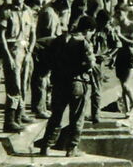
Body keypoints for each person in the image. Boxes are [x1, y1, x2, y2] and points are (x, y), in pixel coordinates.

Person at [39, 16, 96, 157]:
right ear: (88, 30)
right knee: (77, 117)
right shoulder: (84, 42)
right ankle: (72, 148)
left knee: (56, 115)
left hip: (59, 82)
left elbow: (48, 56)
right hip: (77, 82)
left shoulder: (59, 39)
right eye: (91, 32)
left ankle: (46, 146)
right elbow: (91, 63)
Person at [0, 0, 30, 132]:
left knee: (23, 86)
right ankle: (9, 121)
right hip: (12, 52)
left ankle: (18, 118)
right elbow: (2, 36)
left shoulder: (28, 12)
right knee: (13, 86)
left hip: (25, 52)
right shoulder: (6, 12)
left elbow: (32, 33)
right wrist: (8, 57)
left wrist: (29, 53)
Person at [29, 0, 61, 118]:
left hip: (45, 49)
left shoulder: (52, 11)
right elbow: (49, 35)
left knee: (42, 80)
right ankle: (39, 109)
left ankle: (40, 107)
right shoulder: (49, 13)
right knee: (41, 80)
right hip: (42, 50)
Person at [89, 9, 119, 123]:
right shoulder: (91, 27)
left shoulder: (108, 29)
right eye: (105, 22)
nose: (107, 24)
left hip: (98, 62)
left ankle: (95, 114)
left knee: (96, 89)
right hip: (86, 59)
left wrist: (109, 55)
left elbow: (117, 44)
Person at [114, 5, 133, 117]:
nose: (118, 16)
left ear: (126, 13)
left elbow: (132, 43)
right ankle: (127, 110)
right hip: (120, 57)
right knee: (122, 86)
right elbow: (116, 44)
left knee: (125, 84)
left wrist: (119, 35)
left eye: (120, 13)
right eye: (116, 14)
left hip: (130, 57)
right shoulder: (117, 26)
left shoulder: (132, 25)